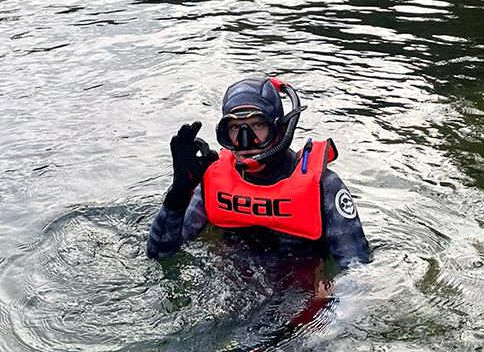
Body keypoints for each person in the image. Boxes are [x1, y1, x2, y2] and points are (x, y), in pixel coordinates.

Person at [148, 76, 370, 271]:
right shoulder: (214, 179)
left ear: (280, 129)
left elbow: (356, 272)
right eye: (235, 128)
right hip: (227, 296)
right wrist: (178, 195)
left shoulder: (323, 187)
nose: (246, 141)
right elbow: (160, 255)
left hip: (298, 300)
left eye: (257, 125)